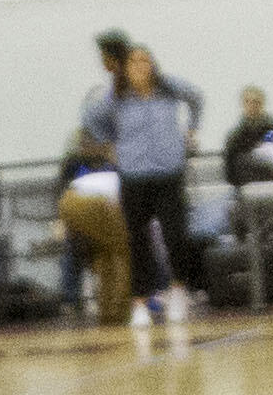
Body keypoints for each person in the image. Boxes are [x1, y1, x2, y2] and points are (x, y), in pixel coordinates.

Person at [82, 33, 204, 332]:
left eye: (145, 60)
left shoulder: (168, 88)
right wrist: (108, 145)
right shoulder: (116, 98)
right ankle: (140, 302)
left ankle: (178, 290)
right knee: (138, 241)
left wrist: (191, 129)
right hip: (134, 175)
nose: (140, 66)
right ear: (125, 67)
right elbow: (91, 119)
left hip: (169, 173)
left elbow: (197, 97)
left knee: (176, 234)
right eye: (134, 61)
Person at [55, 131, 133, 320]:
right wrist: (60, 222)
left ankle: (131, 298)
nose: (90, 147)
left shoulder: (117, 163)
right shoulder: (72, 165)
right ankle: (71, 300)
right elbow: (61, 194)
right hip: (83, 223)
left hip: (114, 219)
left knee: (122, 251)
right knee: (70, 251)